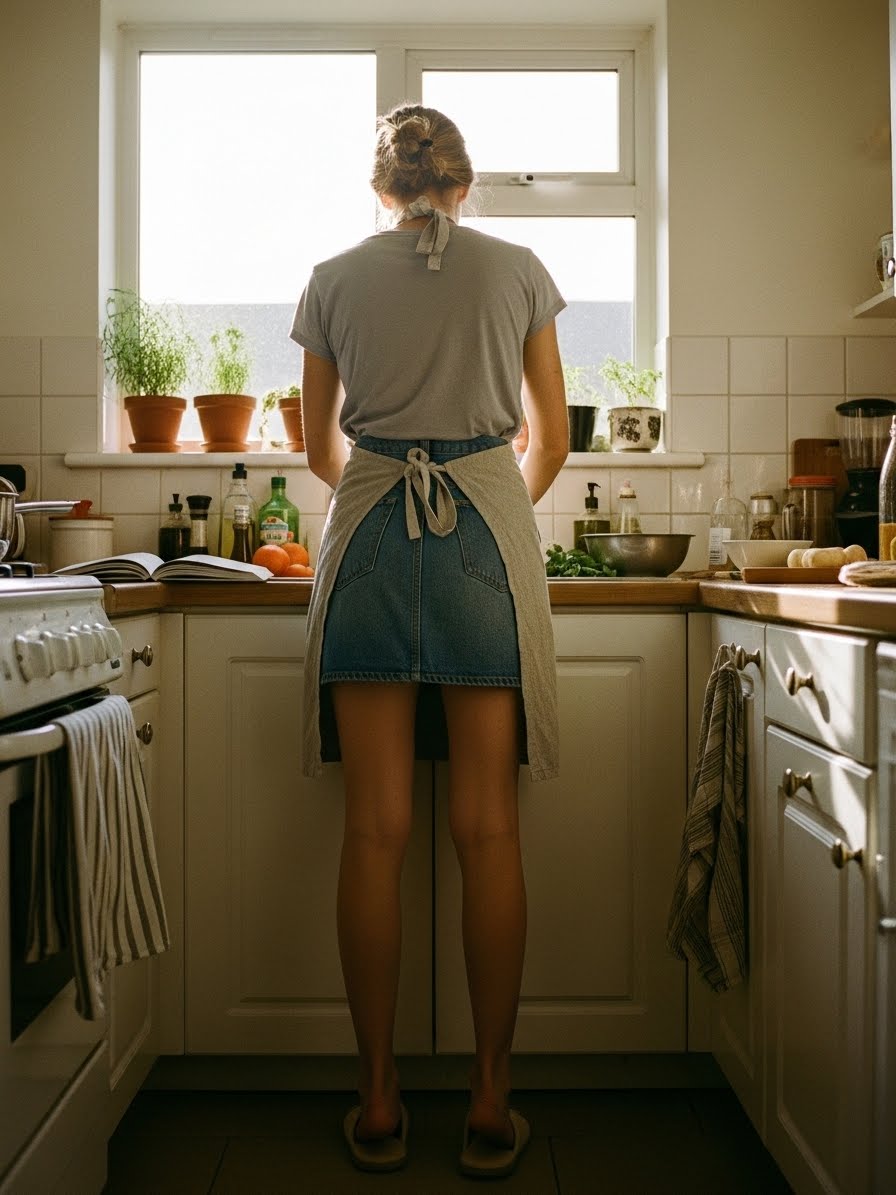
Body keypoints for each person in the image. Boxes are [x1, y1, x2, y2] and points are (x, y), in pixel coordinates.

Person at [290, 102, 569, 1179]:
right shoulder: (519, 270)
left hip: (363, 542)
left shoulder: (329, 276)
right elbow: (545, 436)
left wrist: (387, 498)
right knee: (488, 831)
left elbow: (319, 449)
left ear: (381, 191)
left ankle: (374, 1100)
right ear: (463, 184)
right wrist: (492, 505)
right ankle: (490, 1102)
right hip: (480, 551)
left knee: (374, 833)